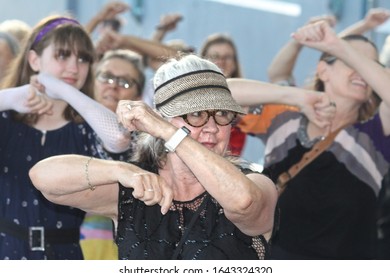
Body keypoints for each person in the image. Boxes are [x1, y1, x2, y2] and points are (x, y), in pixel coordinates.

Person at [29, 54, 278, 260]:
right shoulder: (137, 187)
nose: (212, 128)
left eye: (222, 114)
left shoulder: (255, 183)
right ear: (163, 118)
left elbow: (244, 202)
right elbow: (43, 178)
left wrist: (170, 133)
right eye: (195, 115)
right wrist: (120, 171)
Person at [228, 20, 390, 259]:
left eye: (368, 65)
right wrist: (297, 96)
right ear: (323, 70)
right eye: (350, 61)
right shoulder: (285, 118)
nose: (361, 72)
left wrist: (339, 46)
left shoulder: (375, 135)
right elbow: (218, 92)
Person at [0, 15, 132, 260]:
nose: (74, 66)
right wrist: (8, 98)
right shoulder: (7, 119)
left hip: (64, 255)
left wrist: (62, 88)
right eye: (62, 55)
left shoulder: (86, 129)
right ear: (34, 60)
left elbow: (119, 138)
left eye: (83, 58)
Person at [80, 49, 145, 260]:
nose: (112, 85)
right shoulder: (68, 129)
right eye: (106, 77)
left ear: (138, 96)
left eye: (125, 82)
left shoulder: (146, 144)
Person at [199, 33, 246, 157]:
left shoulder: (246, 99)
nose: (220, 62)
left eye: (227, 57)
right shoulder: (188, 94)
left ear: (235, 63)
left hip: (226, 167)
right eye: (214, 56)